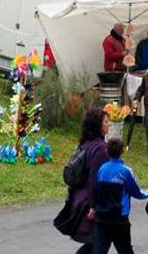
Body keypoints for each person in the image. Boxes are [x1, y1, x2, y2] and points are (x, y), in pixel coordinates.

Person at [55, 108, 110, 254]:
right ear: (98, 125)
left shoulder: (85, 144)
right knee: (99, 243)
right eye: (106, 122)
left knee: (96, 243)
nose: (109, 124)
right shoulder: (101, 149)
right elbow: (95, 179)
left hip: (78, 197)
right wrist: (94, 206)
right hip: (88, 202)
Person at [90, 137, 148, 254]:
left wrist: (93, 207)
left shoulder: (102, 169)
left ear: (106, 151)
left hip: (102, 216)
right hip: (119, 217)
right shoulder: (125, 171)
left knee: (99, 250)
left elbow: (97, 190)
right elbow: (135, 191)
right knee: (125, 249)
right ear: (122, 151)